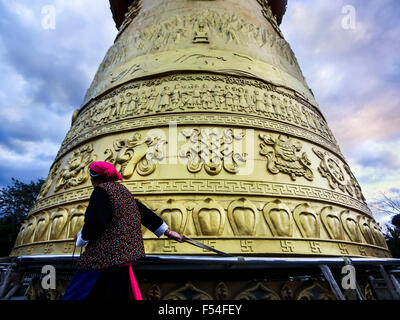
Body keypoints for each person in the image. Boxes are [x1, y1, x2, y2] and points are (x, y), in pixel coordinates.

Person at [62, 161, 183, 300]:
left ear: (96, 178)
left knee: (78, 293)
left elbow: (95, 221)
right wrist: (167, 231)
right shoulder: (123, 191)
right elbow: (143, 212)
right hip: (126, 257)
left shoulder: (100, 191)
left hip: (104, 258)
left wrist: (81, 238)